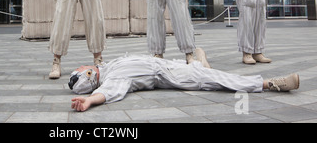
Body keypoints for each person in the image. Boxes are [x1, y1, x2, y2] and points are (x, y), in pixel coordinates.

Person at [69, 51, 300, 112]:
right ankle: (271, 83)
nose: (81, 66)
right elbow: (110, 93)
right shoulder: (112, 78)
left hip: (171, 65)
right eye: (81, 69)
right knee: (216, 79)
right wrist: (90, 101)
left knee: (203, 72)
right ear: (87, 75)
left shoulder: (109, 66)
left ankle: (200, 65)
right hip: (171, 76)